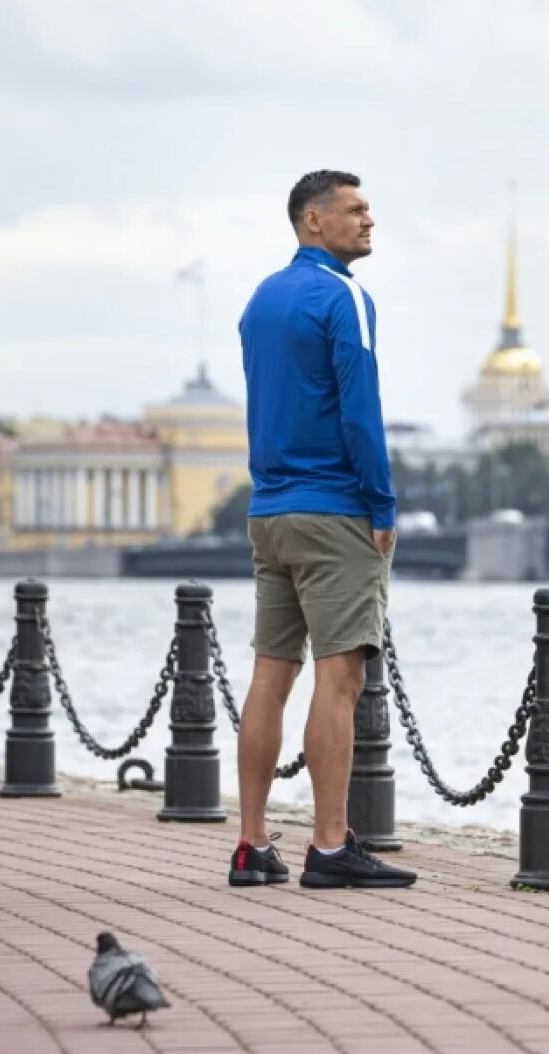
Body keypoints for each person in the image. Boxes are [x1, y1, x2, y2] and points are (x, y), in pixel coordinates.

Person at [228, 169, 414, 890]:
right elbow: (360, 411)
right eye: (355, 210)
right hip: (336, 508)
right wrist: (383, 506)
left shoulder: (261, 299)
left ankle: (251, 845)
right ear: (314, 220)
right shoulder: (345, 297)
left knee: (270, 676)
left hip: (269, 510)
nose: (369, 222)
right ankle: (331, 846)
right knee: (341, 680)